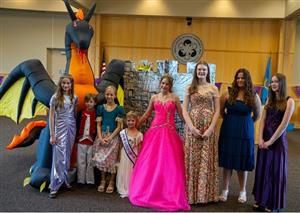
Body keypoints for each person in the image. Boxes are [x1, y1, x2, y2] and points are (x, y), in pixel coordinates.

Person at [129, 74, 190, 211]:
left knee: (168, 163)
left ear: (170, 86)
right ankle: (148, 190)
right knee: (151, 162)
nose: (164, 86)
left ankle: (165, 192)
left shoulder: (174, 98)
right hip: (155, 131)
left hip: (169, 132)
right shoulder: (154, 97)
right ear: (160, 84)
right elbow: (146, 114)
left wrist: (190, 126)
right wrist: (135, 125)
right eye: (162, 83)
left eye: (167, 84)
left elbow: (181, 115)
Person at [252, 73, 294, 212]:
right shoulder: (270, 99)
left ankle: (271, 202)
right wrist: (260, 139)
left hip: (277, 141)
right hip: (264, 140)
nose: (273, 84)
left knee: (275, 171)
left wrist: (270, 141)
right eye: (272, 82)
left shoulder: (289, 101)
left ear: (282, 83)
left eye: (276, 82)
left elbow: (283, 125)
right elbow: (262, 120)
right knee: (263, 169)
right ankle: (260, 200)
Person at [218, 68, 261, 203]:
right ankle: (225, 190)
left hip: (245, 132)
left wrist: (247, 123)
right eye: (238, 78)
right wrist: (232, 120)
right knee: (227, 162)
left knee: (242, 163)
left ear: (247, 80)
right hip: (228, 131)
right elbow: (221, 112)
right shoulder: (227, 93)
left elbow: (257, 115)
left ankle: (243, 192)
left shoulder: (254, 95)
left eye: (242, 78)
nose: (240, 80)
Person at [183, 61, 220, 204]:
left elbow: (217, 110)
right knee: (193, 158)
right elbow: (185, 109)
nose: (201, 72)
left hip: (208, 127)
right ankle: (191, 195)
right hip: (193, 126)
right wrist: (191, 127)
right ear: (196, 71)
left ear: (208, 72)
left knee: (206, 159)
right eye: (199, 70)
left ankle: (206, 195)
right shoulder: (189, 88)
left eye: (204, 70)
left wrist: (211, 129)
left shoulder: (213, 88)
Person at [48, 74, 78, 198]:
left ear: (71, 85)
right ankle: (54, 185)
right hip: (59, 129)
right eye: (64, 83)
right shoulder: (55, 98)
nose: (66, 85)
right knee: (58, 157)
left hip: (71, 128)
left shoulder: (74, 98)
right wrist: (52, 135)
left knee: (67, 155)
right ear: (60, 84)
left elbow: (74, 114)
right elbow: (51, 117)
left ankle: (64, 180)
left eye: (68, 83)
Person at [91, 85, 124, 193]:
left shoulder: (119, 109)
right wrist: (100, 137)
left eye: (111, 94)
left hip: (113, 137)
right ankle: (103, 180)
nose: (109, 96)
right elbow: (99, 125)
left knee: (113, 159)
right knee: (102, 158)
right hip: (102, 136)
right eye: (107, 94)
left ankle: (112, 181)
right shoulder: (101, 108)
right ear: (105, 95)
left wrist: (110, 137)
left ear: (115, 96)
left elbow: (119, 127)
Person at [116, 111, 143, 198]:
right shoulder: (123, 132)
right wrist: (119, 155)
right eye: (128, 120)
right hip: (124, 154)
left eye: (132, 120)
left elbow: (139, 147)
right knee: (124, 170)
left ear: (136, 121)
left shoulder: (139, 134)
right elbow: (121, 144)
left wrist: (138, 158)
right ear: (126, 121)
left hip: (133, 155)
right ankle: (123, 186)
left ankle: (131, 187)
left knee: (131, 171)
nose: (130, 122)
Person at [76, 93, 97, 185]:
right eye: (87, 101)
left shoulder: (96, 114)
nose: (89, 104)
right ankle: (80, 180)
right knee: (81, 160)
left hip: (91, 141)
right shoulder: (81, 112)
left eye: (91, 102)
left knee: (90, 161)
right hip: (81, 140)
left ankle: (90, 180)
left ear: (95, 103)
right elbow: (77, 124)